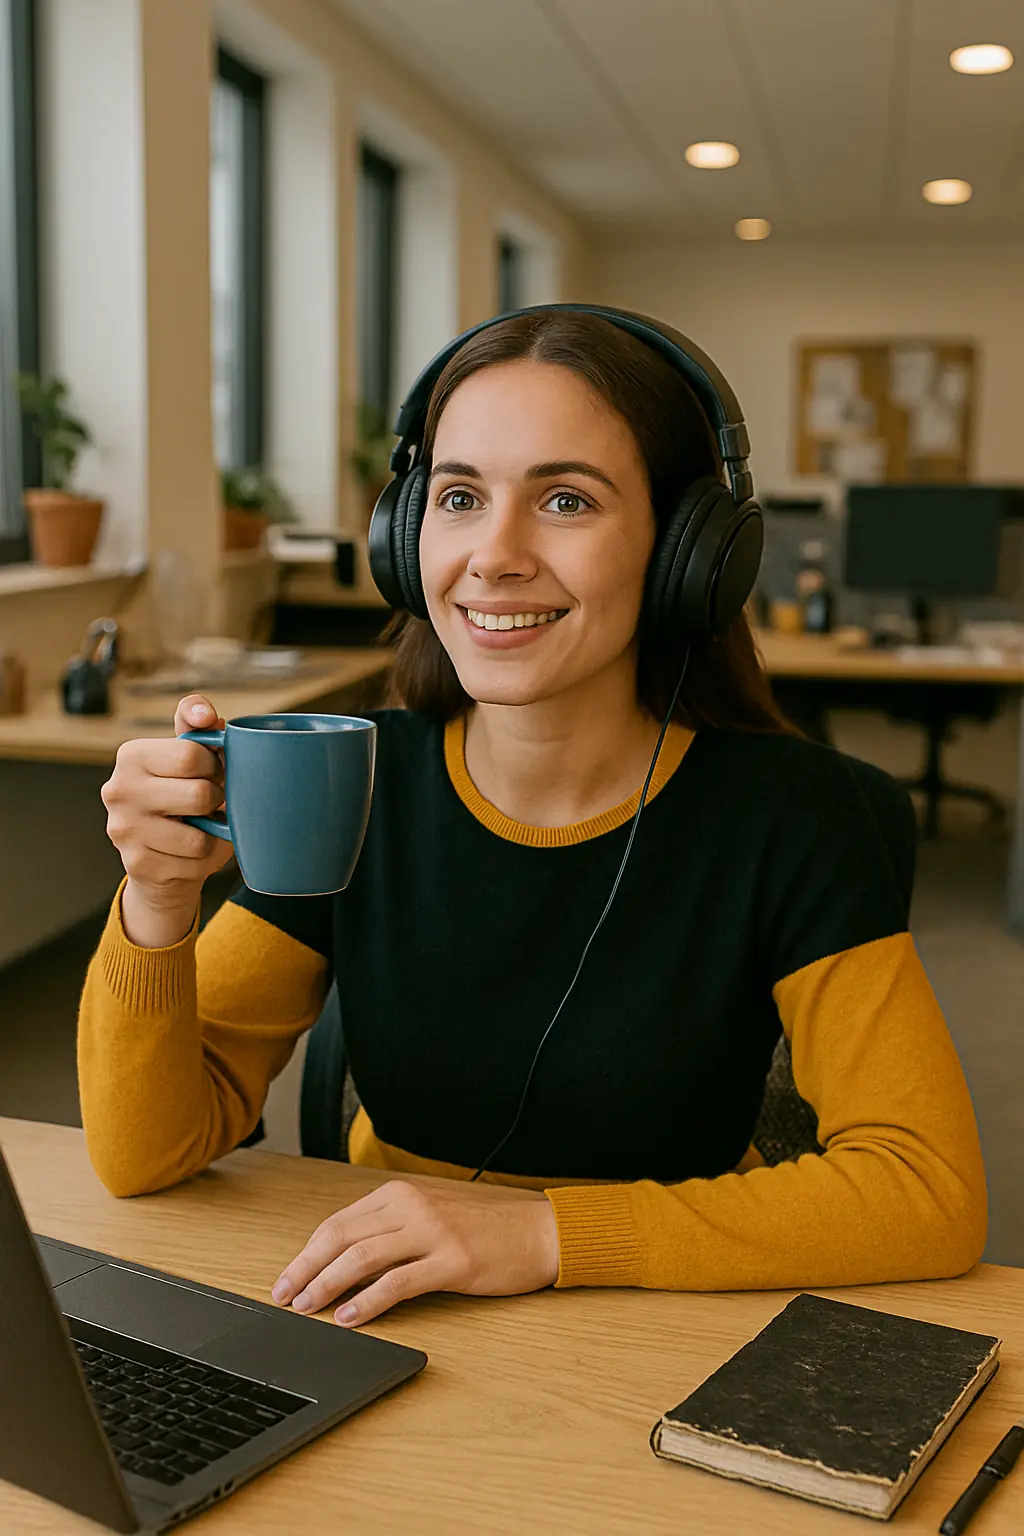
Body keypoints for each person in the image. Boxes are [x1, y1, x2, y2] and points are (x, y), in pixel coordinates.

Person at [80, 308, 986, 1330]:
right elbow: (142, 1153)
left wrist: (545, 1233)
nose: (494, 555)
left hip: (667, 1323)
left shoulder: (796, 816)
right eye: (460, 496)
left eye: (564, 499)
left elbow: (926, 1190)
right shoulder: (361, 781)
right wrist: (155, 902)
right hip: (393, 1314)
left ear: (691, 550)